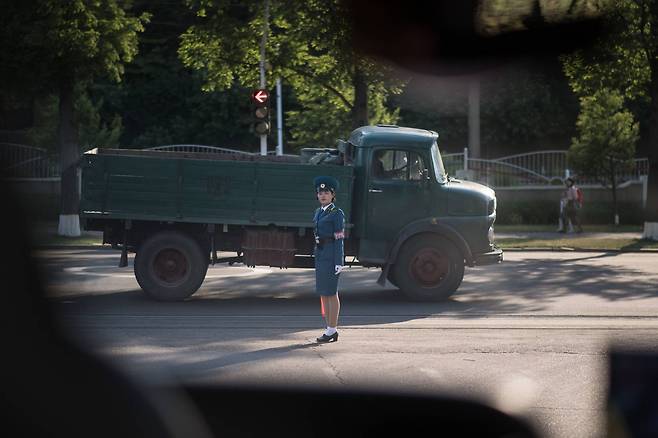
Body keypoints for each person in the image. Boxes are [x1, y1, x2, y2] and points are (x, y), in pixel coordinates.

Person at [312, 176, 345, 343]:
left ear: (333, 195)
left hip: (332, 257)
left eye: (326, 192)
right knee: (323, 293)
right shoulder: (318, 212)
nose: (323, 195)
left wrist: (339, 261)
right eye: (320, 192)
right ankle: (328, 329)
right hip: (321, 256)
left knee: (331, 293)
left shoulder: (336, 214)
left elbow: (339, 238)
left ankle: (333, 329)